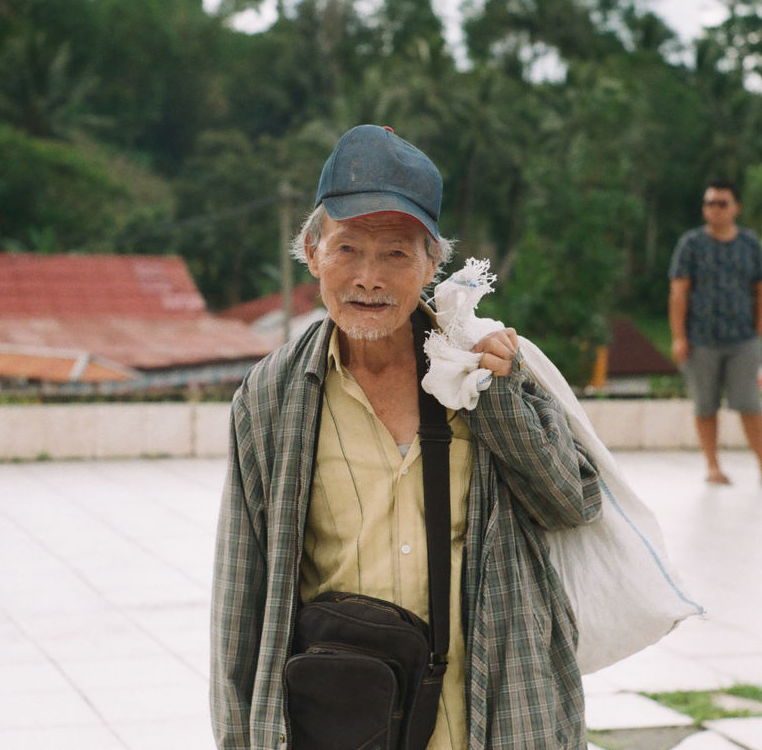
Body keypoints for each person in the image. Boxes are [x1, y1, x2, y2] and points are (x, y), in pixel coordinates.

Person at [210, 124, 603, 750]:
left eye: (395, 253)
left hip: (492, 712)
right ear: (311, 253)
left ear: (430, 265)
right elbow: (241, 595)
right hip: (343, 721)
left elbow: (573, 500)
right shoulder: (270, 398)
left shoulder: (480, 366)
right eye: (347, 250)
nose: (369, 278)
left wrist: (497, 395)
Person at [668, 178, 762, 487]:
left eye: (722, 203)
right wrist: (678, 336)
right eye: (710, 203)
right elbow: (679, 292)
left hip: (743, 340)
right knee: (705, 406)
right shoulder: (690, 245)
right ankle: (713, 466)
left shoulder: (750, 244)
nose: (715, 209)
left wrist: (760, 330)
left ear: (736, 208)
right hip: (701, 339)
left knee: (750, 404)